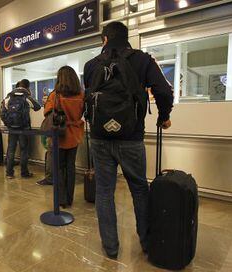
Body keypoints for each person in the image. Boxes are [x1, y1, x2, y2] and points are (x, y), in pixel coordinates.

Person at [83, 22, 173, 259]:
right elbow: (163, 91)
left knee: (104, 192)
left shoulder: (91, 65)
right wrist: (164, 117)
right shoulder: (143, 60)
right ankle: (146, 243)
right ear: (127, 38)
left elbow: (89, 99)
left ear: (104, 39)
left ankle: (111, 248)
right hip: (131, 138)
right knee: (140, 190)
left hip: (99, 138)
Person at [44, 66, 84, 208]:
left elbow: (47, 112)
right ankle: (70, 198)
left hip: (59, 135)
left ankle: (61, 200)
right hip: (75, 134)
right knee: (70, 167)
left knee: (59, 168)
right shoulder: (81, 95)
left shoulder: (55, 95)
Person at [2, 79, 40, 179]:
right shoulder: (26, 96)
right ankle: (24, 173)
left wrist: (8, 123)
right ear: (27, 87)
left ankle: (9, 173)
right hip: (24, 128)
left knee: (11, 150)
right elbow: (38, 107)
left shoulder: (9, 96)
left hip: (12, 128)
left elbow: (2, 112)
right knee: (24, 150)